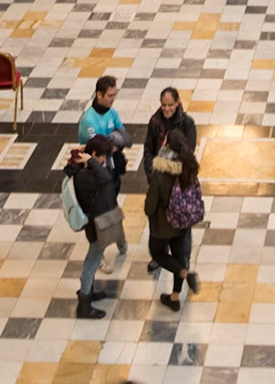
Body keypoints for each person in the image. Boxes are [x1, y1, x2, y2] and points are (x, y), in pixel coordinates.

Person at [65, 135, 123, 319]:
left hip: (97, 221)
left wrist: (85, 153)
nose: (105, 161)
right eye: (102, 157)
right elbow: (105, 178)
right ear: (94, 155)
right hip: (96, 225)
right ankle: (84, 304)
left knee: (93, 257)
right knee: (91, 262)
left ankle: (89, 291)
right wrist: (90, 159)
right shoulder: (85, 176)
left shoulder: (83, 169)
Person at [142, 128, 201, 311]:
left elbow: (151, 204)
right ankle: (174, 297)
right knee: (179, 256)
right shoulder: (189, 168)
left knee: (157, 253)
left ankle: (185, 274)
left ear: (167, 145)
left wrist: (149, 212)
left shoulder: (161, 172)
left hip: (163, 225)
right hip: (183, 223)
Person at [78, 75, 130, 182]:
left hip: (113, 168)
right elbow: (97, 149)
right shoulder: (89, 120)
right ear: (99, 95)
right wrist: (114, 142)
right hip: (96, 172)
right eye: (110, 95)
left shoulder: (112, 112)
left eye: (115, 95)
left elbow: (124, 137)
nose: (113, 99)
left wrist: (113, 144)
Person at [143, 86, 197, 167]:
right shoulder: (155, 122)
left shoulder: (187, 123)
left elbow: (189, 151)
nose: (167, 109)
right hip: (159, 172)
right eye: (164, 105)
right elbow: (148, 149)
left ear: (177, 103)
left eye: (170, 105)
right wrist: (151, 172)